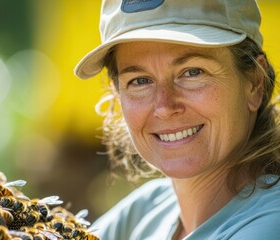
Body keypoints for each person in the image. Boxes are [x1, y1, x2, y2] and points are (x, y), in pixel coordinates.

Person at [74, 0, 280, 239]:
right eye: (140, 80)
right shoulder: (146, 212)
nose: (164, 107)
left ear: (255, 82)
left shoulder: (270, 226)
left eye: (193, 72)